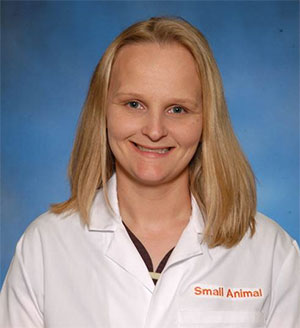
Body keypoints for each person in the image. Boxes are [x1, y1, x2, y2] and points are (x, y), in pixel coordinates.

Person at [1, 16, 299, 328]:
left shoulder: (271, 254)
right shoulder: (45, 246)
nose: (155, 130)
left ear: (206, 120)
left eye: (177, 109)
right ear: (102, 111)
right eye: (134, 104)